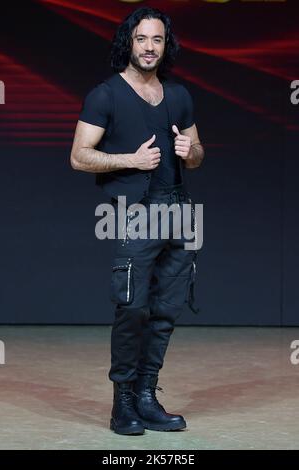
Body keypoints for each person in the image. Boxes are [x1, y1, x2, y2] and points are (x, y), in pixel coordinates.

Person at [70, 6, 204, 435]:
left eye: (157, 40)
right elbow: (79, 156)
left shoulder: (179, 95)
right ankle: (122, 403)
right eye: (142, 39)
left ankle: (147, 396)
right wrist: (131, 159)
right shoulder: (105, 94)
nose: (149, 47)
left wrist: (191, 152)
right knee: (133, 309)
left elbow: (198, 153)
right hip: (136, 215)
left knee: (167, 309)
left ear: (167, 45)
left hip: (180, 212)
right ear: (129, 42)